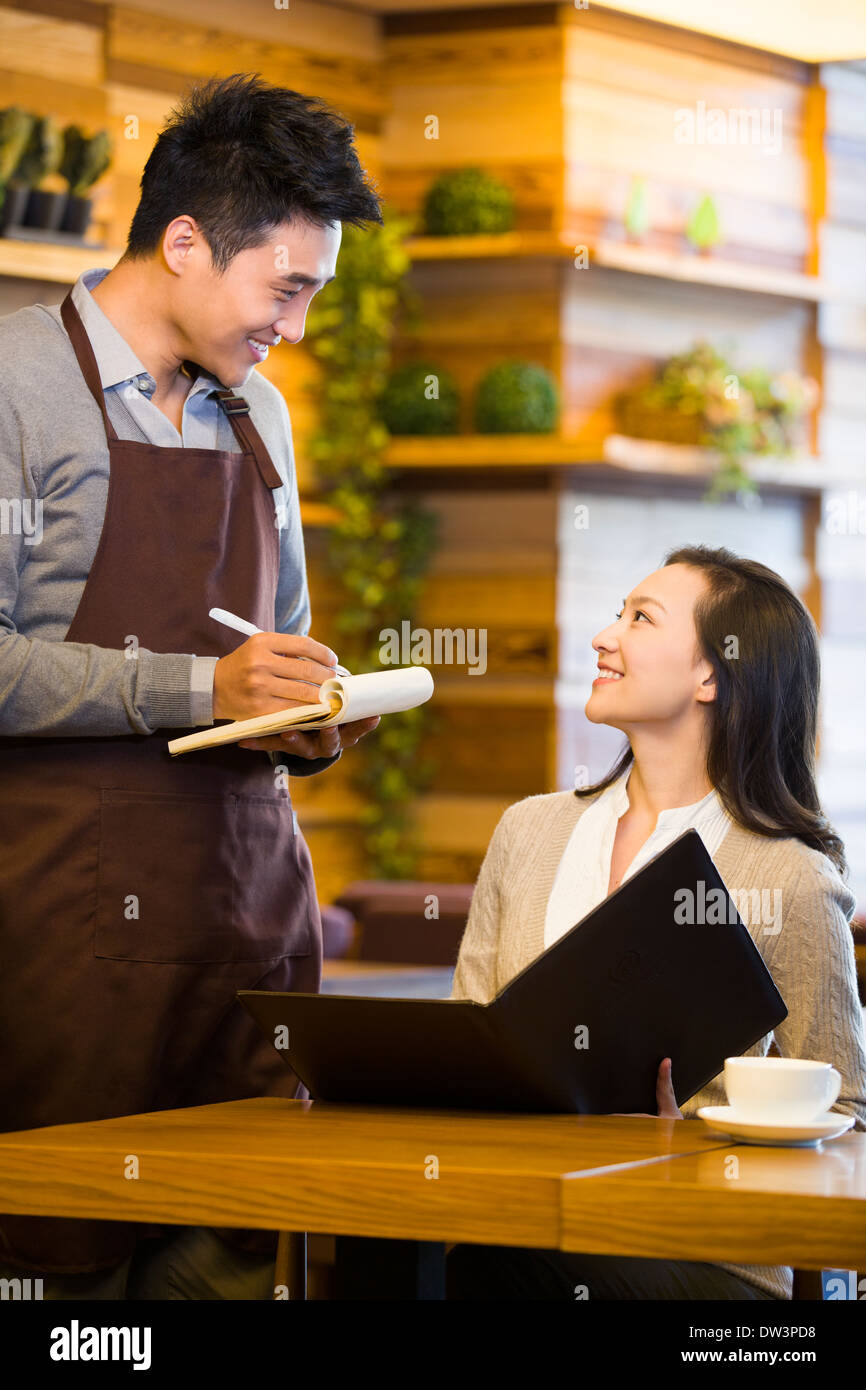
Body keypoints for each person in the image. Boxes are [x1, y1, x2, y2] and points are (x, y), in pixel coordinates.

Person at [0, 72, 383, 1299]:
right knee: (72, 1291)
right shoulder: (12, 384)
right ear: (183, 241)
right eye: (289, 287)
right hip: (61, 938)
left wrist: (308, 709)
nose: (298, 326)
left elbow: (276, 641)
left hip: (247, 932)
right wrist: (198, 689)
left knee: (233, 1268)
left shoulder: (260, 410)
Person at [446, 544, 866, 1300]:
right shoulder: (527, 831)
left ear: (712, 673)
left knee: (490, 1266)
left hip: (711, 1262)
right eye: (616, 616)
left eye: (640, 619)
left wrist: (700, 1144)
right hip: (523, 1218)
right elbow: (466, 1037)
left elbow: (847, 1116)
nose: (605, 637)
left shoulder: (787, 877)